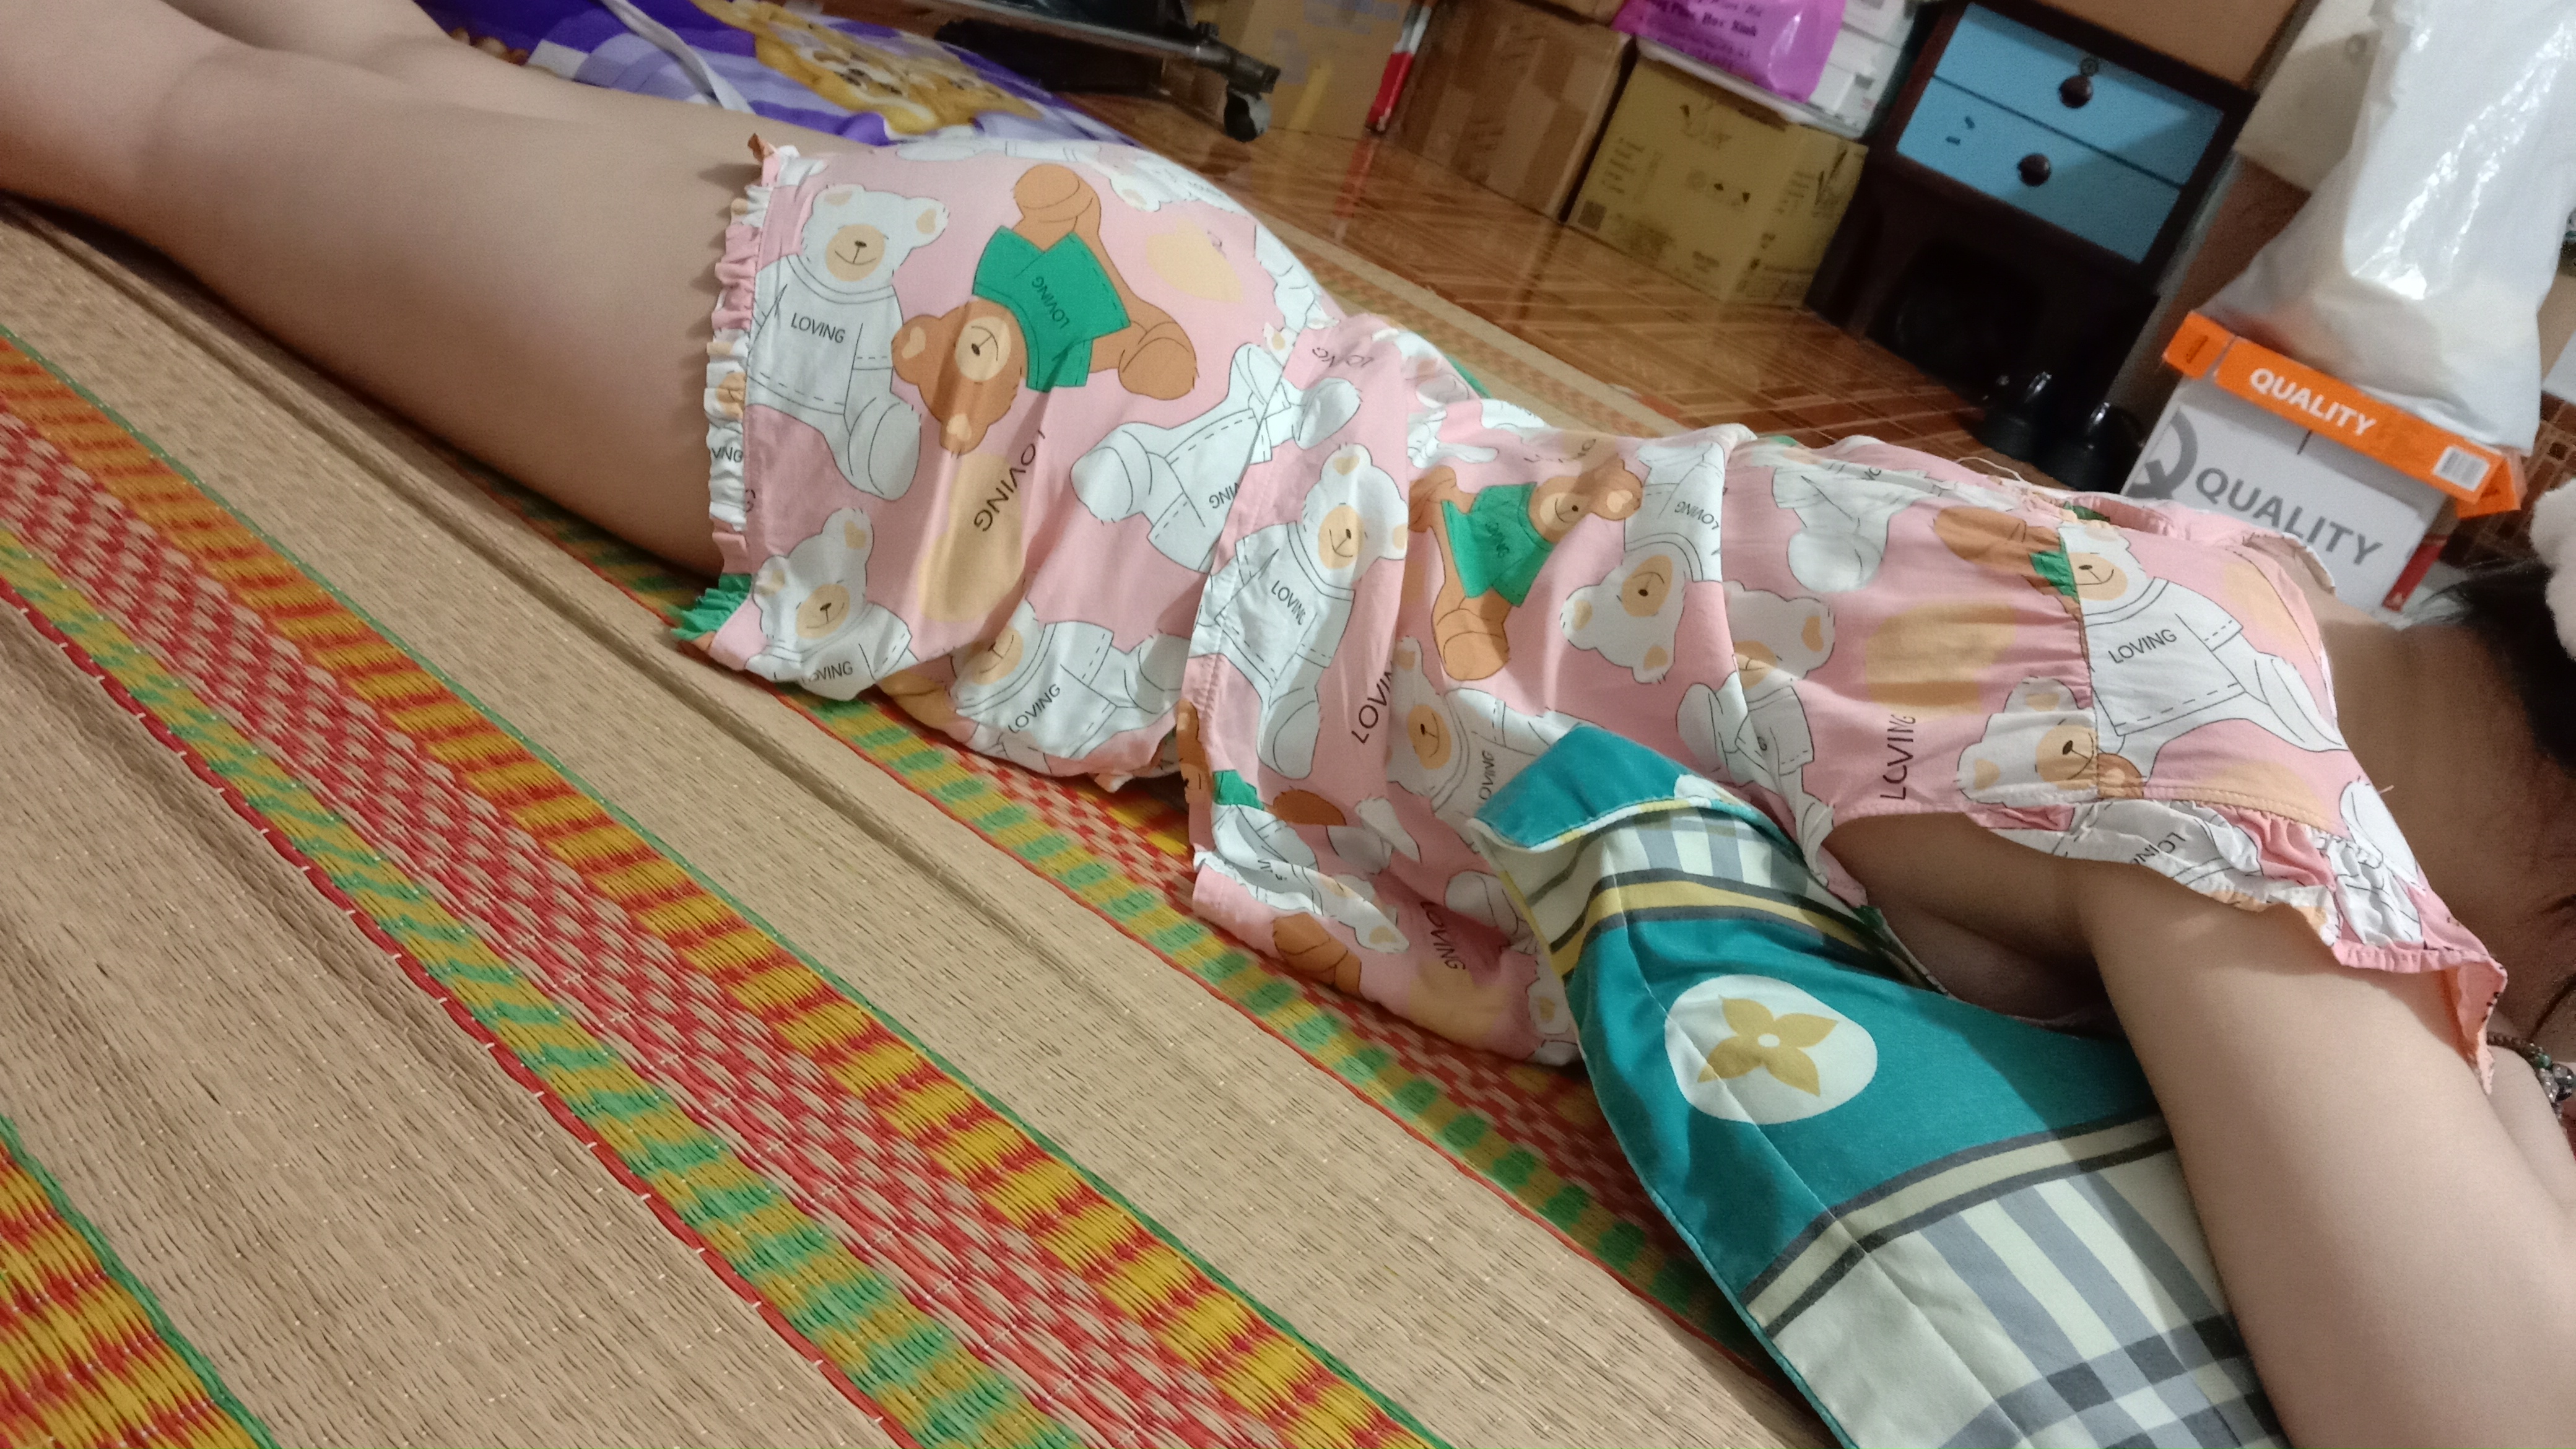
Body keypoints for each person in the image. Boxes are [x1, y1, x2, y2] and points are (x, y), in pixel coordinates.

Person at [2, 2, 2571, 1443]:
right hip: (1030, 451)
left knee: (359, 73)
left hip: (1161, 345)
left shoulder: (2233, 596)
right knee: (171, 126)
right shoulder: (2228, 801)